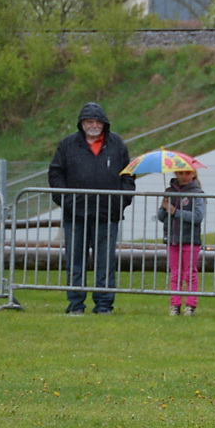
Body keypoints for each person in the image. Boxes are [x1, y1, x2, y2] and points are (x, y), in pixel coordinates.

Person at [47, 102, 134, 315]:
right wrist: (66, 200)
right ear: (82, 124)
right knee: (75, 261)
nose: (94, 125)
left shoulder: (117, 145)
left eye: (97, 121)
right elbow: (55, 174)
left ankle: (104, 304)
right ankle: (75, 304)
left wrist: (121, 201)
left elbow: (128, 175)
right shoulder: (67, 145)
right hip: (75, 216)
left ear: (104, 124)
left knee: (105, 262)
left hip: (107, 215)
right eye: (89, 121)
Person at [158, 165, 205, 316]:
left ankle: (190, 305)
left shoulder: (197, 193)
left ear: (193, 174)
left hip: (190, 239)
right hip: (172, 239)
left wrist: (175, 212)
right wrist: (164, 207)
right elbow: (161, 217)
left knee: (189, 272)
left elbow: (197, 217)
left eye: (187, 173)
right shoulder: (169, 192)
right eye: (180, 173)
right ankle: (175, 304)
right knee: (175, 273)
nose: (184, 176)